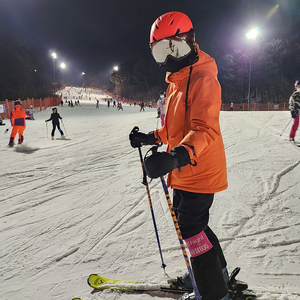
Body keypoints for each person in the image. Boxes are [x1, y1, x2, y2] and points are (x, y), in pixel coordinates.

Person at [129, 12, 229, 300]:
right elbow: (176, 126)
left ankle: (213, 292)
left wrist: (177, 156)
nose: (170, 58)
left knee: (191, 229)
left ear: (191, 41)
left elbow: (204, 129)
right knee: (196, 226)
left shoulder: (203, 79)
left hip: (200, 167)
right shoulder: (177, 80)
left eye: (175, 48)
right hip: (184, 168)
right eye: (161, 51)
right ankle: (214, 275)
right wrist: (152, 137)